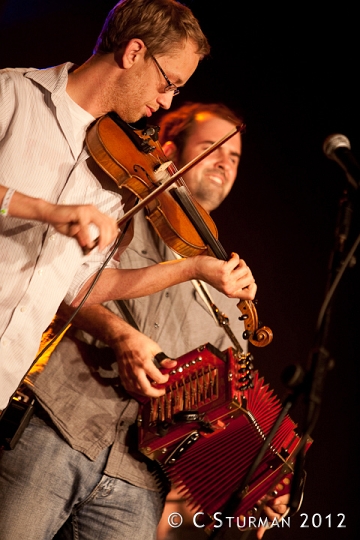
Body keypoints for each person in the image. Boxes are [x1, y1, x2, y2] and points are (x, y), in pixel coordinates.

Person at [0, 102, 288, 540]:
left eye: (233, 157)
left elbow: (221, 412)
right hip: (57, 427)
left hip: (140, 481)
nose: (224, 163)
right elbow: (50, 286)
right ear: (169, 153)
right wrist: (119, 334)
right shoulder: (115, 211)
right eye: (211, 148)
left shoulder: (230, 288)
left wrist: (254, 484)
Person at [0, 0, 257, 410]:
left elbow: (79, 288)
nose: (169, 101)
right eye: (168, 82)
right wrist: (48, 211)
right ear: (134, 52)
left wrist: (191, 267)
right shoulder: (12, 93)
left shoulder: (111, 175)